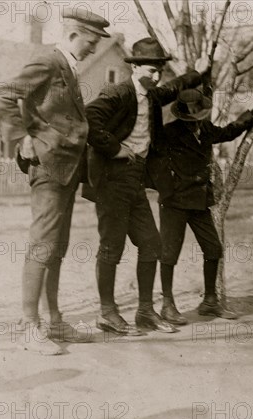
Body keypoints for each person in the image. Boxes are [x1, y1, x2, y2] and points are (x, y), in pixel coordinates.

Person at [0, 8, 110, 355]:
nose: (93, 48)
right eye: (90, 41)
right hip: (47, 166)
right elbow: (1, 97)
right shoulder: (48, 60)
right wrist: (22, 138)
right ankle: (29, 325)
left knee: (57, 245)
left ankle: (55, 320)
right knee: (42, 244)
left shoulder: (68, 67)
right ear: (74, 34)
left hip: (67, 169)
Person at [83, 38, 210, 335]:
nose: (156, 76)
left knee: (152, 244)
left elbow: (174, 88)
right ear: (135, 66)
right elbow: (89, 118)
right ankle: (107, 313)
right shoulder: (118, 92)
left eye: (159, 71)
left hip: (136, 179)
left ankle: (145, 311)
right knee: (111, 247)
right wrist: (114, 148)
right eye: (151, 70)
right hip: (112, 178)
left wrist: (197, 72)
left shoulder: (152, 96)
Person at [147, 89, 253, 324]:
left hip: (200, 201)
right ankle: (167, 304)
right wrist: (166, 184)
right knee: (169, 253)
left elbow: (227, 133)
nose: (196, 121)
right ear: (183, 116)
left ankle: (210, 302)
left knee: (213, 249)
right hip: (174, 202)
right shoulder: (169, 133)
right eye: (192, 118)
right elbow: (152, 157)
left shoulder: (206, 129)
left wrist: (247, 118)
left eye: (199, 116)